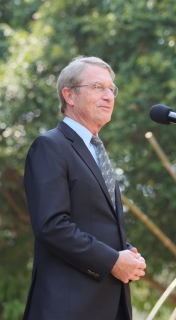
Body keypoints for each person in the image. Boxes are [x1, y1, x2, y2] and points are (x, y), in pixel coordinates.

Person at [22, 56, 146, 320]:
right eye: (97, 87)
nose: (108, 96)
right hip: (68, 308)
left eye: (111, 89)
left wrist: (126, 253)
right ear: (69, 95)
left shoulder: (96, 151)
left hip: (109, 306)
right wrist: (112, 260)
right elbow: (52, 226)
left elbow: (93, 222)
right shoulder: (50, 146)